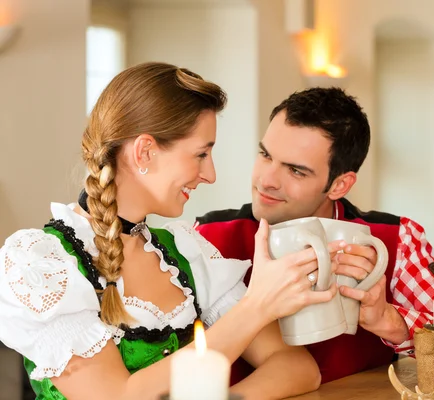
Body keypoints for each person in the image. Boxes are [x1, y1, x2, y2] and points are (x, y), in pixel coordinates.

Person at [0, 63, 340, 400]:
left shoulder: (187, 252)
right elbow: (116, 396)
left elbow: (297, 367)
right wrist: (256, 307)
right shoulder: (41, 264)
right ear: (145, 151)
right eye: (201, 154)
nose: (210, 174)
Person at [196, 87, 434, 384]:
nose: (266, 180)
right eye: (265, 155)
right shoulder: (205, 239)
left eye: (296, 171)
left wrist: (390, 320)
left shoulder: (395, 240)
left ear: (340, 185)